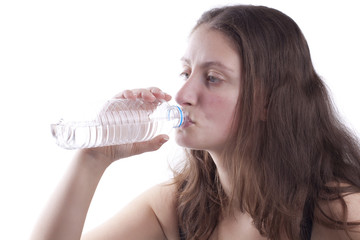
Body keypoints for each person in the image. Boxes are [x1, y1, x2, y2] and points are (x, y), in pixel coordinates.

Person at [30, 5, 360, 240]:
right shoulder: (178, 207)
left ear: (268, 103)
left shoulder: (340, 215)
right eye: (186, 72)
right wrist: (92, 158)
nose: (182, 93)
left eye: (213, 78)